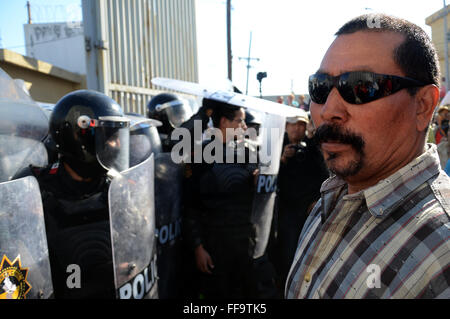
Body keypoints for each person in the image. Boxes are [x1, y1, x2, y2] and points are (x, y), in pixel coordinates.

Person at [286, 14, 449, 299]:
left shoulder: (442, 249)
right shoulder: (330, 199)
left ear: (423, 105)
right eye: (320, 87)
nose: (329, 110)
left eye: (361, 87)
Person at [21, 90, 133, 299]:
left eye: (119, 137)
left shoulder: (114, 186)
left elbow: (133, 242)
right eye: (110, 137)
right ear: (78, 136)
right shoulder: (34, 190)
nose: (118, 145)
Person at [182, 100, 260, 299]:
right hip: (214, 245)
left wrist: (257, 181)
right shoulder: (200, 156)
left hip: (245, 243)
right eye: (240, 121)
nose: (245, 127)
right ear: (224, 122)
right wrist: (198, 247)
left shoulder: (249, 153)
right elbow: (191, 205)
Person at [271, 111, 329, 296]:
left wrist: (316, 201)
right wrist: (282, 159)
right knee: (287, 255)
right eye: (293, 124)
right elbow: (266, 180)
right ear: (286, 126)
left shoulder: (314, 146)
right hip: (287, 213)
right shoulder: (275, 146)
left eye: (301, 124)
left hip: (311, 211)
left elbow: (324, 174)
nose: (297, 128)